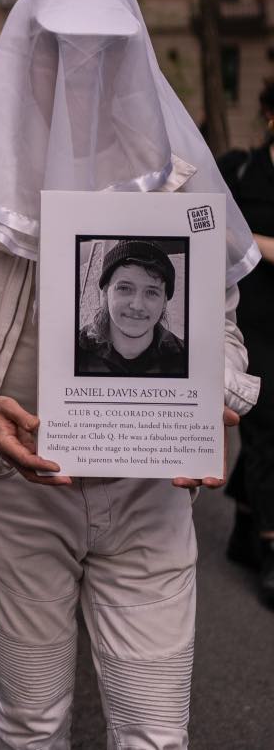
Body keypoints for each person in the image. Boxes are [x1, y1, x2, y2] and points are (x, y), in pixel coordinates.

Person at [0, 0, 259, 749]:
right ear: (27, 57)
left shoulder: (178, 187)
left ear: (133, 58)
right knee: (33, 720)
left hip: (148, 490)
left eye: (105, 51)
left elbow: (222, 329)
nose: (82, 68)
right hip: (15, 485)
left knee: (156, 730)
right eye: (60, 51)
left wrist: (210, 402)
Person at [220, 77, 274, 604]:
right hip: (257, 322)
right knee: (265, 431)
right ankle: (270, 547)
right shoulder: (240, 169)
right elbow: (211, 227)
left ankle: (244, 519)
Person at [74, 240, 187, 377]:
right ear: (104, 293)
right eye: (124, 288)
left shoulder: (185, 359)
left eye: (151, 292)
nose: (137, 305)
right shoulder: (75, 353)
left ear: (164, 301)